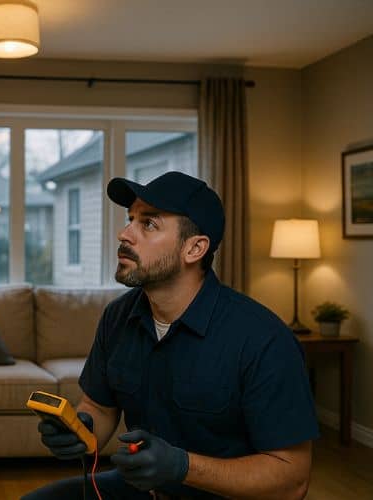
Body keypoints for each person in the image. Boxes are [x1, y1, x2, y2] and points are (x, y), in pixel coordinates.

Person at [23, 171, 319, 500]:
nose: (124, 233)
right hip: (144, 489)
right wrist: (80, 428)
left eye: (148, 224)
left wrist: (183, 466)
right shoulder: (117, 317)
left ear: (194, 248)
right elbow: (100, 406)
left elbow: (292, 479)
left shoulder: (264, 340)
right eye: (130, 219)